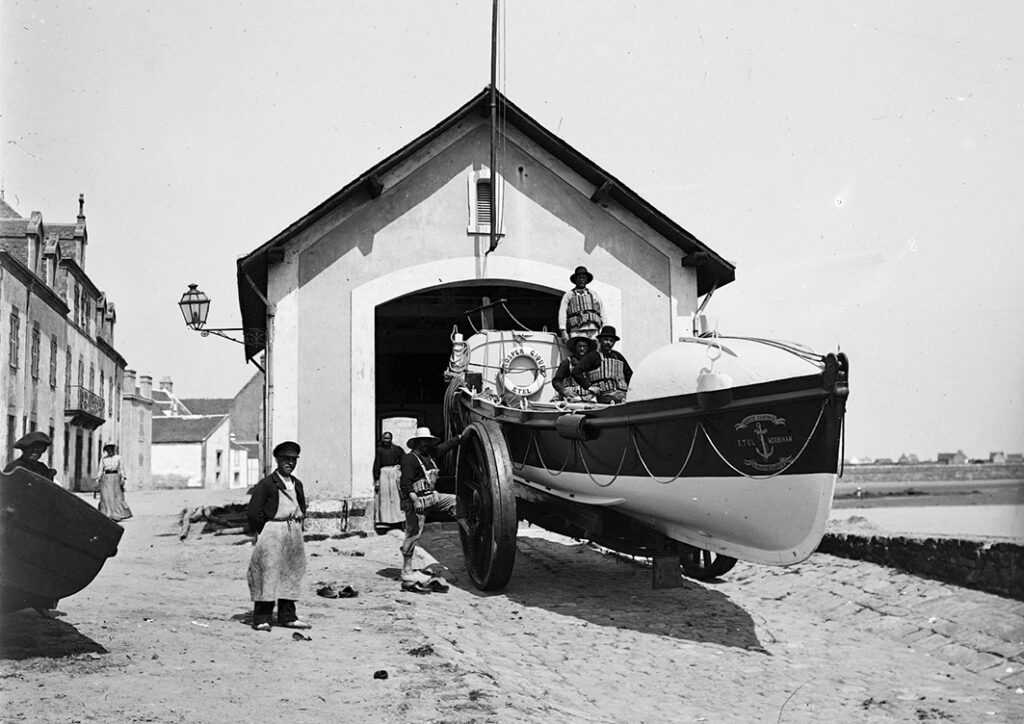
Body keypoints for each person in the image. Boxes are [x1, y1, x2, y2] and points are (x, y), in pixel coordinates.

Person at [246, 441, 311, 631]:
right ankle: (261, 618)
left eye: (293, 460)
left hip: (294, 531)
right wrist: (264, 531)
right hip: (273, 531)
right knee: (268, 573)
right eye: (285, 460)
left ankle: (288, 616)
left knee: (292, 573)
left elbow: (302, 507)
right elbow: (253, 512)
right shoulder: (266, 484)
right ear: (277, 460)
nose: (290, 463)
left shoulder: (297, 484)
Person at [399, 426, 465, 583]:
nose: (425, 444)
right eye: (422, 441)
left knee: (456, 501)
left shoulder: (431, 455)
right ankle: (406, 570)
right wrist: (415, 501)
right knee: (413, 534)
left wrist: (460, 437)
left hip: (431, 497)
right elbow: (405, 484)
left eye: (427, 441)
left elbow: (445, 446)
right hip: (416, 501)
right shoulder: (409, 459)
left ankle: (464, 523)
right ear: (416, 443)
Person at [572, 325, 633, 404]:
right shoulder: (593, 356)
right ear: (600, 340)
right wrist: (588, 387)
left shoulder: (618, 356)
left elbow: (629, 375)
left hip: (623, 395)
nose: (608, 343)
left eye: (611, 341)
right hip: (604, 396)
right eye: (606, 340)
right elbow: (576, 372)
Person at [557, 265, 603, 341]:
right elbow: (562, 313)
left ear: (586, 280)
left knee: (593, 351)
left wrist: (603, 329)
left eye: (584, 278)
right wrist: (563, 331)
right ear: (575, 279)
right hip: (576, 331)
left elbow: (602, 312)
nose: (582, 280)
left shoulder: (594, 294)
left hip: (593, 331)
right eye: (579, 277)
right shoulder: (569, 295)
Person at [372, 432, 405, 531]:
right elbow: (377, 464)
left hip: (394, 474)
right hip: (384, 475)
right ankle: (385, 520)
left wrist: (400, 471)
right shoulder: (379, 450)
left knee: (395, 497)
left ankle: (397, 520)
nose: (386, 440)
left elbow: (404, 460)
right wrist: (377, 479)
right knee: (385, 497)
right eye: (385, 438)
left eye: (388, 438)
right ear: (382, 439)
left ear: (391, 439)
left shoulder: (397, 449)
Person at [551, 335, 596, 402]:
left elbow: (596, 382)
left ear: (588, 348)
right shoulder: (567, 362)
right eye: (579, 346)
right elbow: (556, 381)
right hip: (571, 396)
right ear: (575, 348)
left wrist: (592, 394)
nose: (582, 349)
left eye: (584, 346)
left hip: (588, 397)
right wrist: (564, 391)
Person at [95, 444, 133, 521]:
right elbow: (100, 469)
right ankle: (107, 513)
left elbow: (121, 468)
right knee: (106, 497)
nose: (110, 451)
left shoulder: (118, 458)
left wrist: (123, 477)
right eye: (108, 449)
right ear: (106, 450)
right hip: (106, 478)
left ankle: (117, 514)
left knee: (116, 496)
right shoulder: (103, 459)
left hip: (116, 478)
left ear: (114, 449)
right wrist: (98, 478)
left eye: (111, 449)